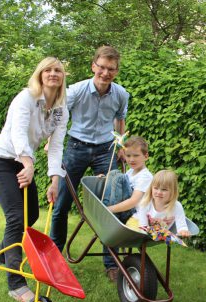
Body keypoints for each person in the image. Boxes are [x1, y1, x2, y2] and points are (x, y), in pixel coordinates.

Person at [0, 57, 69, 302]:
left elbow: (56, 146)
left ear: (63, 77)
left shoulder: (62, 109)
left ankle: (3, 253)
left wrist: (55, 180)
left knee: (30, 215)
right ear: (40, 74)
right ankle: (16, 284)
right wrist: (29, 164)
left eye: (58, 70)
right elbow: (17, 132)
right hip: (1, 161)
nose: (53, 74)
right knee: (16, 217)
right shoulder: (26, 98)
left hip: (25, 162)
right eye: (48, 70)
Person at [49, 45, 129, 272]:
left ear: (116, 71)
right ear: (93, 66)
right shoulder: (75, 90)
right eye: (101, 67)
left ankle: (111, 264)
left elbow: (120, 120)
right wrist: (51, 139)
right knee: (62, 203)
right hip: (76, 147)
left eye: (111, 69)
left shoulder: (121, 94)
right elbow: (60, 117)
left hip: (106, 150)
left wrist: (120, 145)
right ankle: (54, 257)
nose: (105, 73)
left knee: (110, 205)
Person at [99, 136, 153, 280]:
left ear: (146, 156)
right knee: (115, 175)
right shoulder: (130, 172)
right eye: (128, 156)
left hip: (134, 215)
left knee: (117, 175)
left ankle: (106, 215)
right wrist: (106, 179)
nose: (131, 159)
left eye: (136, 155)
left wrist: (109, 209)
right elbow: (118, 190)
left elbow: (134, 201)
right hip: (124, 211)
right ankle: (108, 217)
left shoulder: (145, 176)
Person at [127, 170, 191, 238]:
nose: (159, 192)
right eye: (156, 188)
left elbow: (181, 225)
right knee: (136, 230)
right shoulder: (146, 203)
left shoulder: (176, 206)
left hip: (156, 233)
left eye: (164, 189)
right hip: (137, 225)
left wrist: (183, 231)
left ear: (173, 191)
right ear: (151, 188)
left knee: (166, 236)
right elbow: (143, 226)